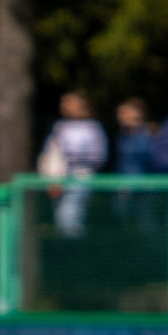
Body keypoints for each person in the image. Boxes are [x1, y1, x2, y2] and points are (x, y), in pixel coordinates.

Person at [37, 89, 110, 237]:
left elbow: (98, 156)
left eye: (68, 102)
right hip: (59, 179)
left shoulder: (92, 127)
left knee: (72, 216)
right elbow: (51, 153)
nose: (64, 106)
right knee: (61, 218)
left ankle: (76, 248)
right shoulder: (59, 127)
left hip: (81, 177)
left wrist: (73, 161)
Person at [111, 98, 155, 174]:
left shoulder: (150, 134)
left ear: (138, 114)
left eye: (124, 113)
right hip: (123, 181)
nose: (120, 116)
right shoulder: (120, 135)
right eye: (119, 113)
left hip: (146, 181)